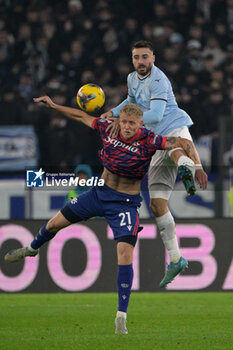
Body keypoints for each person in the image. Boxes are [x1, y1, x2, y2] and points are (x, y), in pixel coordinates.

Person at [5, 97, 207, 334]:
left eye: (132, 123)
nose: (128, 127)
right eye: (124, 122)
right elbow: (81, 116)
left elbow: (182, 141)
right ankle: (31, 248)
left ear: (141, 123)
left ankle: (121, 316)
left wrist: (197, 166)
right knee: (54, 223)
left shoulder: (150, 140)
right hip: (99, 194)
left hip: (125, 204)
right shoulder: (107, 128)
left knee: (124, 253)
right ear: (119, 121)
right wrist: (54, 106)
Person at [101, 40, 208, 288]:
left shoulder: (159, 80)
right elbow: (130, 100)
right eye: (136, 57)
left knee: (173, 149)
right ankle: (177, 259)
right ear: (132, 59)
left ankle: (185, 167)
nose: (141, 62)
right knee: (158, 204)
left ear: (153, 58)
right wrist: (113, 113)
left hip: (172, 130)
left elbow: (157, 115)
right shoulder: (131, 78)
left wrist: (126, 120)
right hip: (155, 140)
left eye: (145, 57)